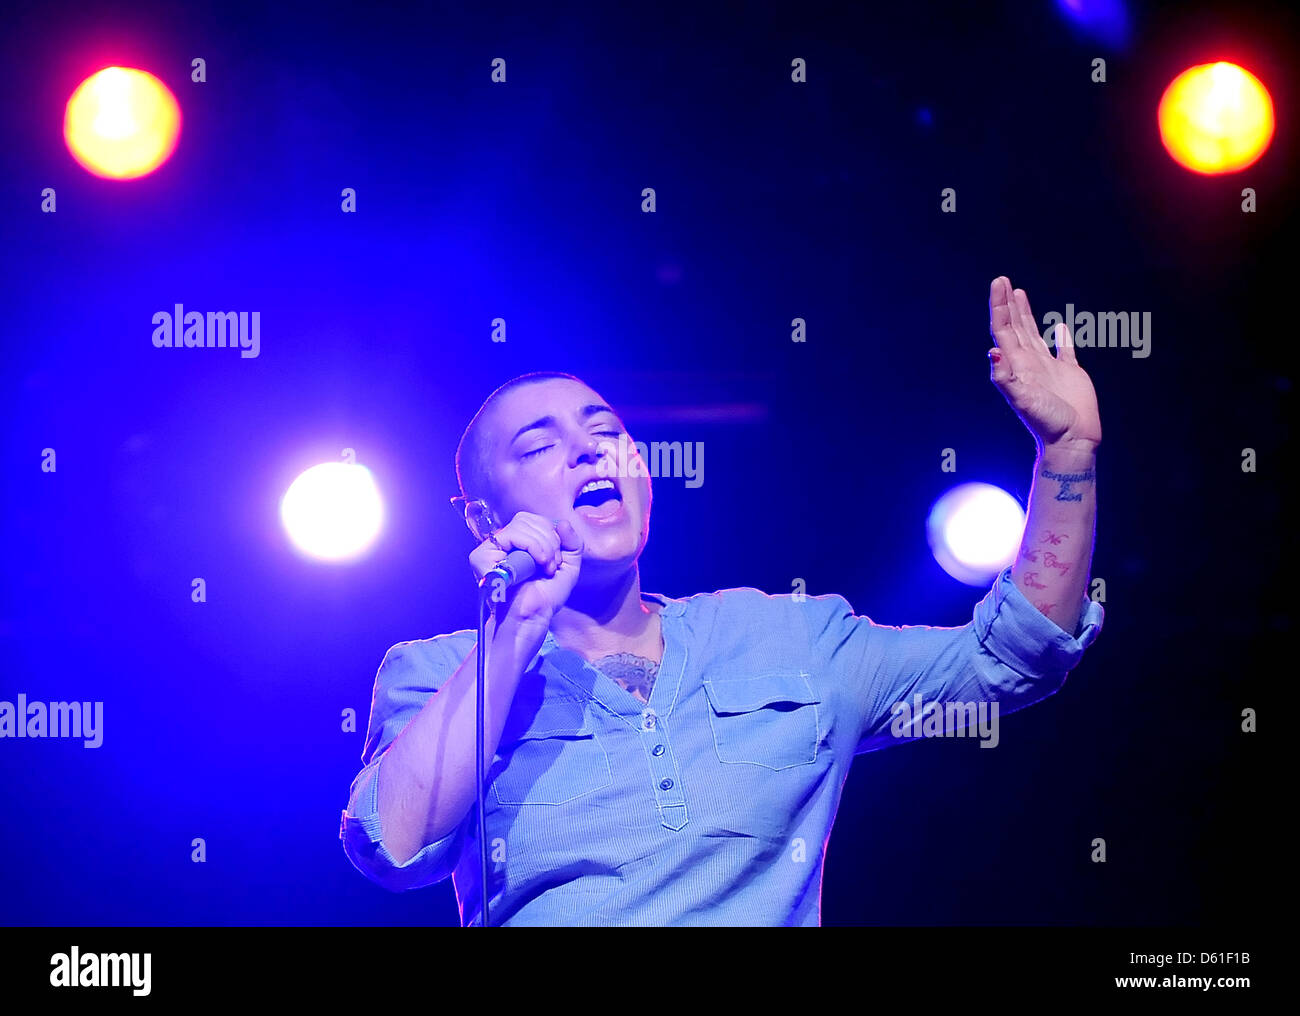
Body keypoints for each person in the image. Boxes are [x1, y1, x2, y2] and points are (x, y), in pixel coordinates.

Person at [339, 276, 1104, 926]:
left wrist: (1067, 455)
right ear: (481, 517)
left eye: (605, 432)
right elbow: (389, 845)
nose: (587, 450)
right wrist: (513, 634)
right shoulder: (438, 672)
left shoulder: (790, 637)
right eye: (538, 447)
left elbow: (1012, 657)